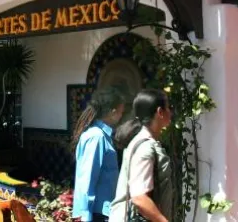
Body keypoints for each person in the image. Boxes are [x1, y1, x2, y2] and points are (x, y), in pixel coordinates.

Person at [109, 89, 172, 222]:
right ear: (160, 112)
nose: (170, 112)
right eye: (168, 108)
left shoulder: (142, 141)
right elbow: (139, 198)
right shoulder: (145, 148)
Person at [72, 87, 125, 222]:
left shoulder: (103, 136)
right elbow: (87, 180)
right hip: (98, 215)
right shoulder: (96, 137)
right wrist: (85, 217)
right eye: (120, 112)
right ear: (112, 112)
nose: (121, 116)